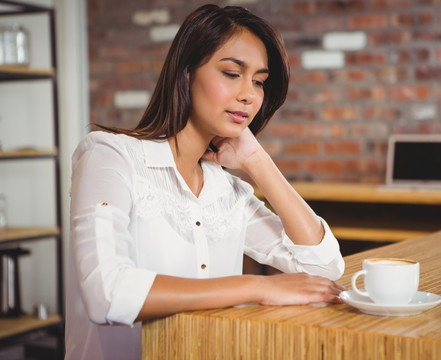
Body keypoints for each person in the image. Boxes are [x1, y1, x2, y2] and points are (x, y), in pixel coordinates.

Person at [65, 4, 345, 359]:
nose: (249, 94)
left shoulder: (225, 190)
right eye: (232, 74)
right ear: (185, 74)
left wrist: (257, 162)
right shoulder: (109, 157)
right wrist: (257, 287)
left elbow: (323, 266)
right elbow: (107, 292)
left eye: (259, 81)